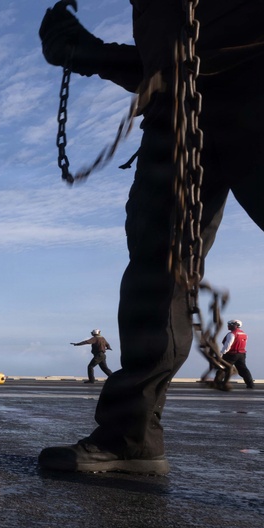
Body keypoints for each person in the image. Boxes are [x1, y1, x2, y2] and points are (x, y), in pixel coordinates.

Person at [36, 1, 264, 475]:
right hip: (175, 108)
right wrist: (93, 54)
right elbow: (171, 52)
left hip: (255, 76)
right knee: (153, 274)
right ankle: (131, 435)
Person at [216, 319, 254, 389]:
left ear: (236, 325)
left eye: (231, 324)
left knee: (223, 368)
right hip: (241, 354)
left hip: (231, 354)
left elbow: (227, 346)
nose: (228, 325)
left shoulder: (232, 334)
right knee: (243, 369)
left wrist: (221, 354)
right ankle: (250, 384)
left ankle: (217, 383)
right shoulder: (244, 334)